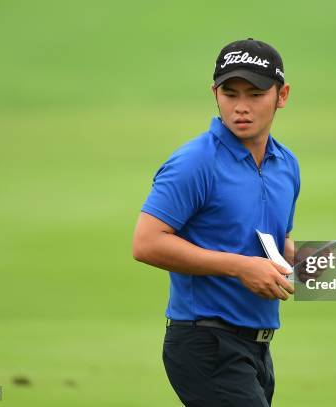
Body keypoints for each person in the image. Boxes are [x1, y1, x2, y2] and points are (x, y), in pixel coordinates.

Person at [132, 38, 299, 407]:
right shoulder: (195, 162)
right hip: (204, 343)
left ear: (282, 95)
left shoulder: (286, 165)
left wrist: (303, 261)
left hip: (257, 347)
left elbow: (274, 242)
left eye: (255, 94)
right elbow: (146, 243)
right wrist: (240, 268)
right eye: (230, 92)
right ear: (215, 93)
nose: (241, 107)